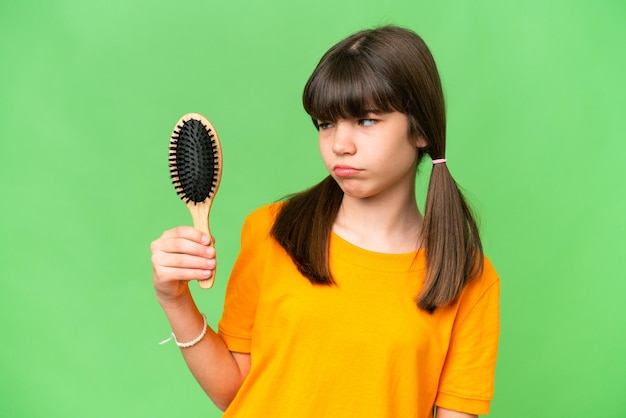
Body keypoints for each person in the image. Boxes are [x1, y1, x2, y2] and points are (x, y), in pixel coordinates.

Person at [151, 25, 500, 418]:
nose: (339, 145)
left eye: (366, 120)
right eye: (326, 123)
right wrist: (175, 300)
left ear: (420, 129)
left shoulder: (467, 277)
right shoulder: (272, 231)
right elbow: (234, 392)